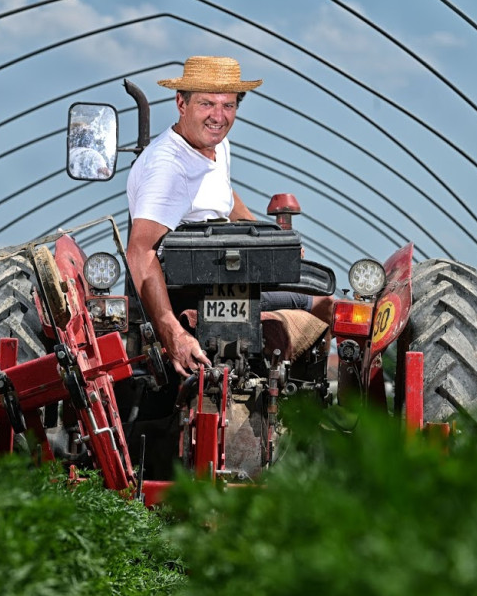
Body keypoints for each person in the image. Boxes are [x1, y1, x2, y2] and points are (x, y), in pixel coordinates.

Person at [127, 56, 332, 376]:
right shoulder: (167, 170)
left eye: (228, 105)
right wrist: (173, 333)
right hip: (190, 287)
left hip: (231, 276)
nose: (218, 116)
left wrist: (270, 240)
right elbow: (140, 251)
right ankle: (329, 413)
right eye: (207, 103)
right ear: (181, 102)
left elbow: (222, 195)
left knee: (337, 306)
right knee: (325, 305)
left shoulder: (214, 144)